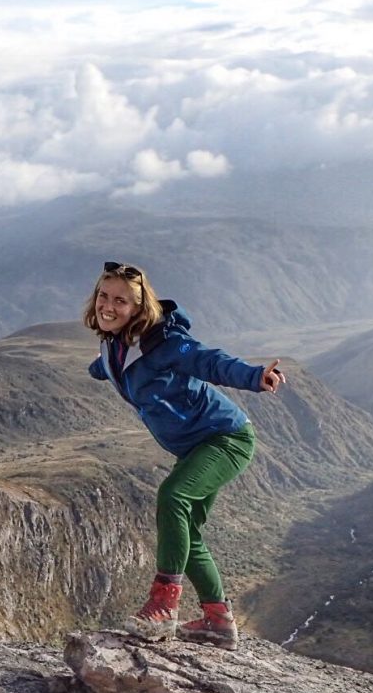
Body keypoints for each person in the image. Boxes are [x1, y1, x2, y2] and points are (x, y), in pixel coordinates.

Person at [84, 260, 285, 650]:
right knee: (187, 533)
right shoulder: (114, 347)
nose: (108, 305)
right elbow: (108, 367)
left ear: (140, 309)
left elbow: (208, 361)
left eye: (120, 301)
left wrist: (255, 377)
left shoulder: (165, 344)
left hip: (227, 438)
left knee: (173, 498)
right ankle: (219, 621)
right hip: (196, 446)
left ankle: (163, 607)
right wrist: (100, 369)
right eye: (103, 296)